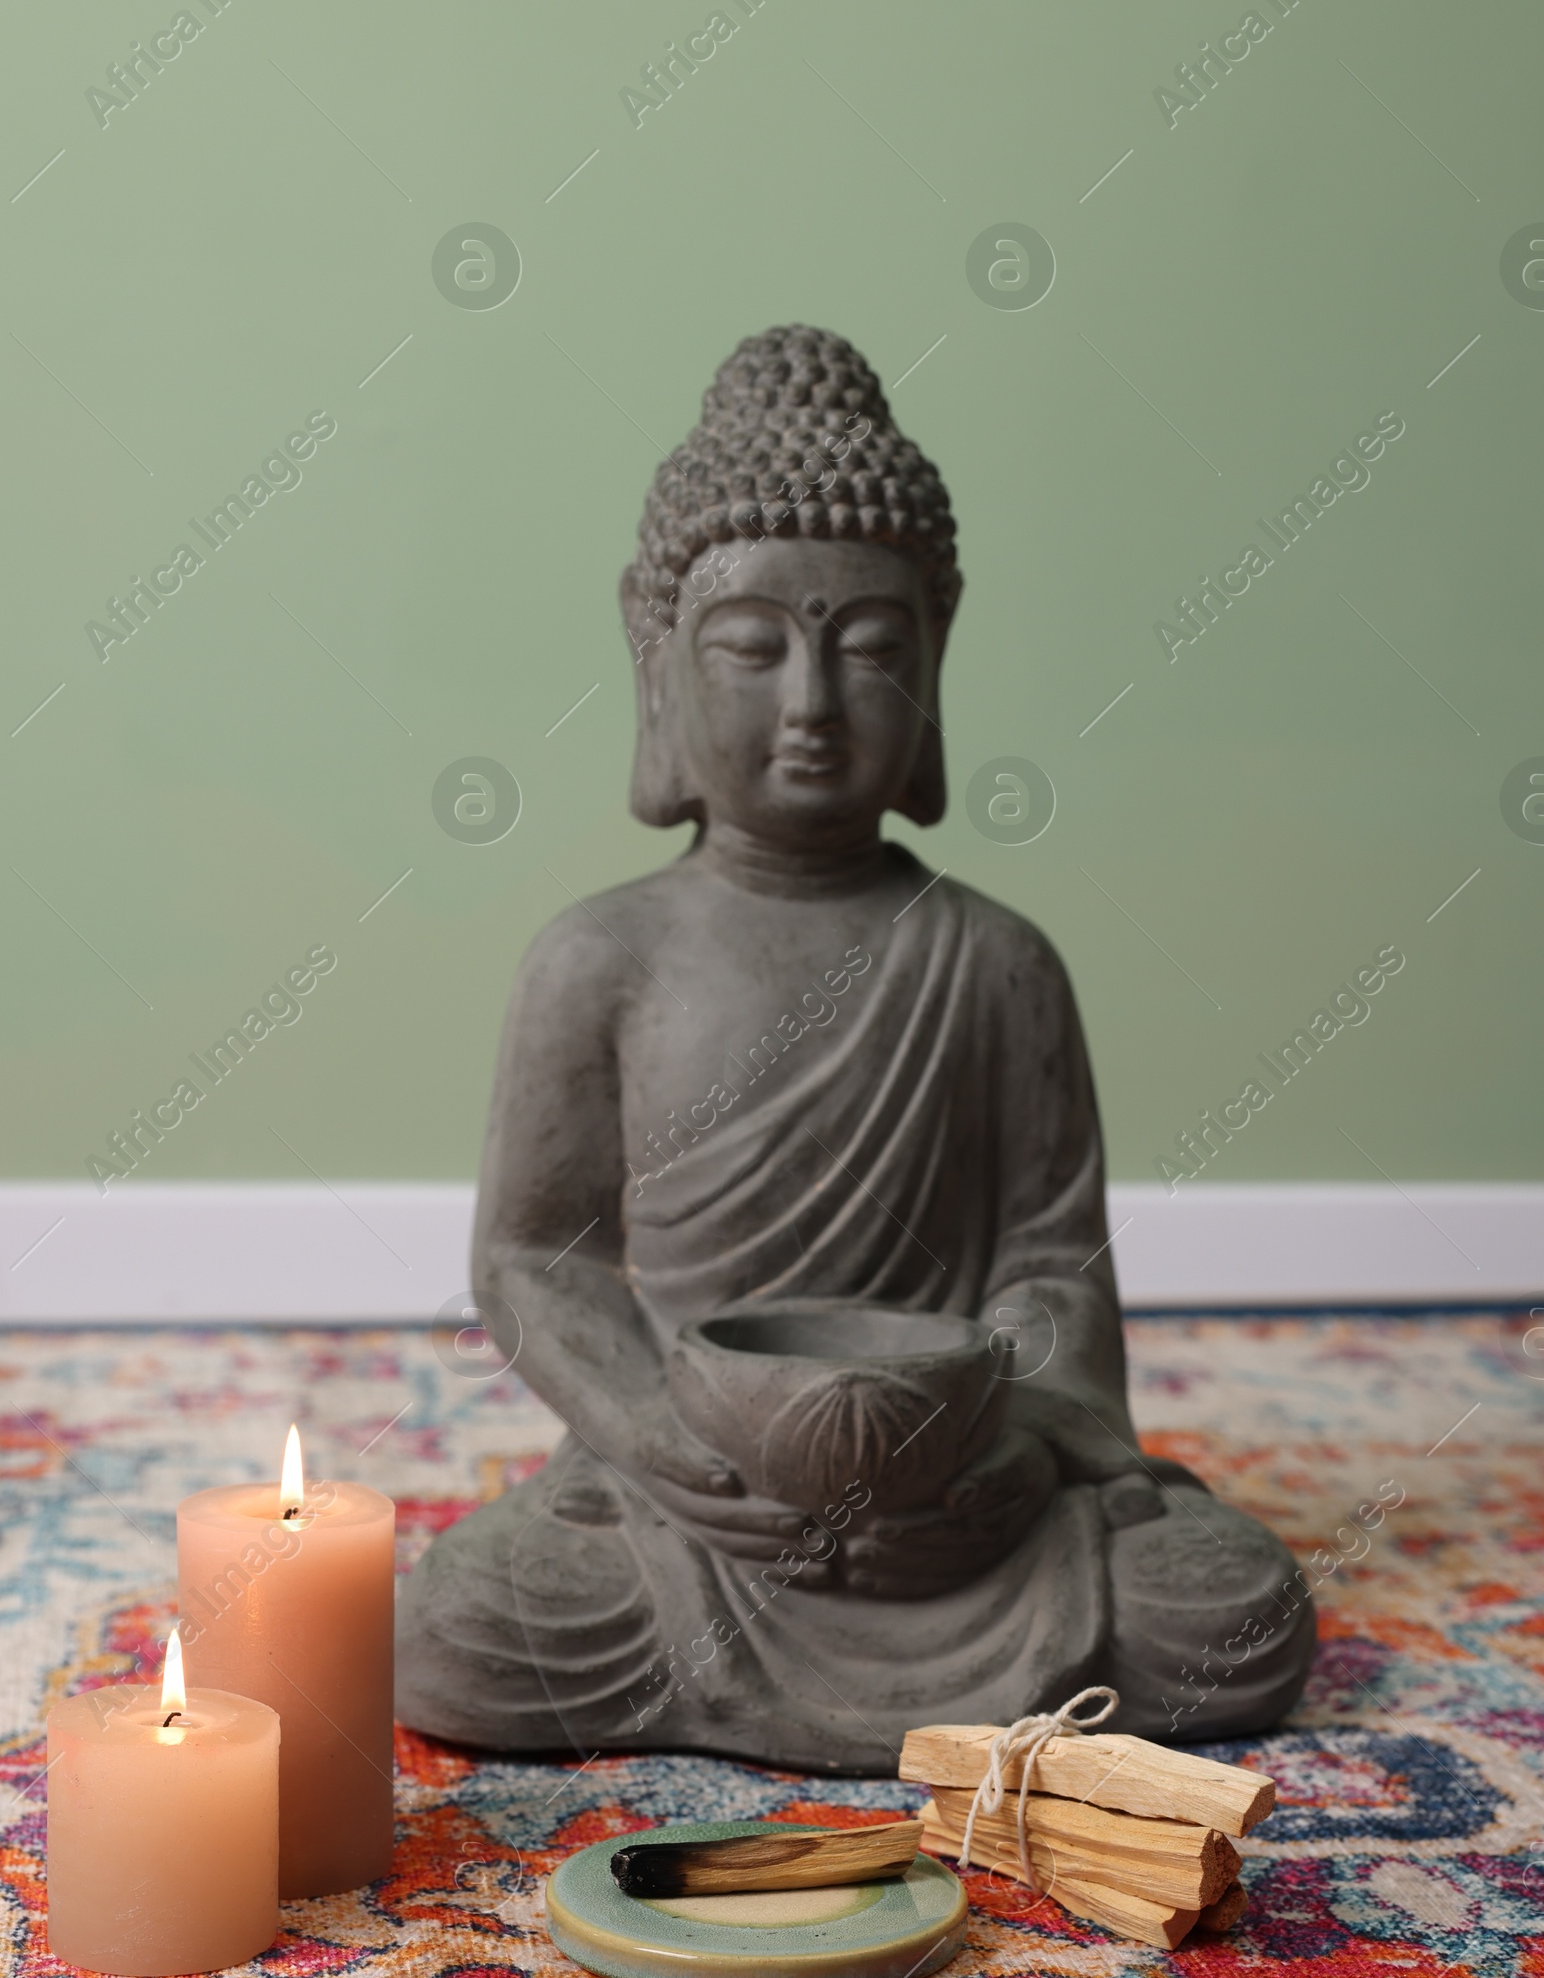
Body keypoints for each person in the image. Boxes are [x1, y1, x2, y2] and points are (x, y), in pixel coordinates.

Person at [394, 326, 1314, 1772]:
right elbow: (537, 1257)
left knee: (1230, 1614)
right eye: (753, 649)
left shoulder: (996, 960)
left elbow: (1048, 1260)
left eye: (870, 650)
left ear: (934, 666)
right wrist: (661, 1446)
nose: (812, 706)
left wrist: (1018, 1451)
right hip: (700, 1511)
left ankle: (947, 1622)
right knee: (463, 1625)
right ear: (661, 673)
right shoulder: (602, 956)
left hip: (963, 1506)